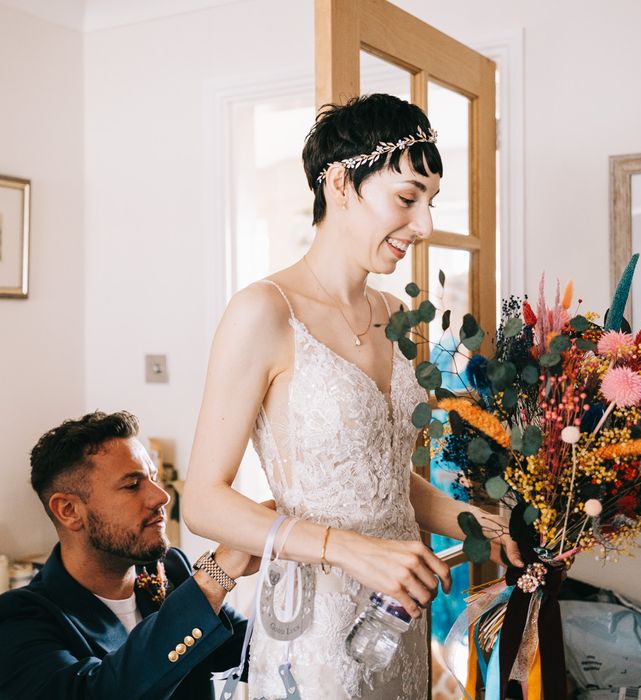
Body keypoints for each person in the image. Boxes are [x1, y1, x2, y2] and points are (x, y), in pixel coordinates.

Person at [183, 93, 523, 699]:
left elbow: (385, 475)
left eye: (430, 203)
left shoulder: (397, 318)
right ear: (341, 183)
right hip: (312, 631)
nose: (423, 226)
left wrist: (486, 524)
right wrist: (350, 552)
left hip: (398, 618)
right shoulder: (264, 313)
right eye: (407, 198)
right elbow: (204, 504)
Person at [0, 411, 258, 700]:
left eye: (153, 479)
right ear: (69, 511)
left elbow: (257, 654)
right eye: (133, 485)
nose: (161, 496)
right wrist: (214, 578)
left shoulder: (170, 569)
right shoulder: (18, 619)